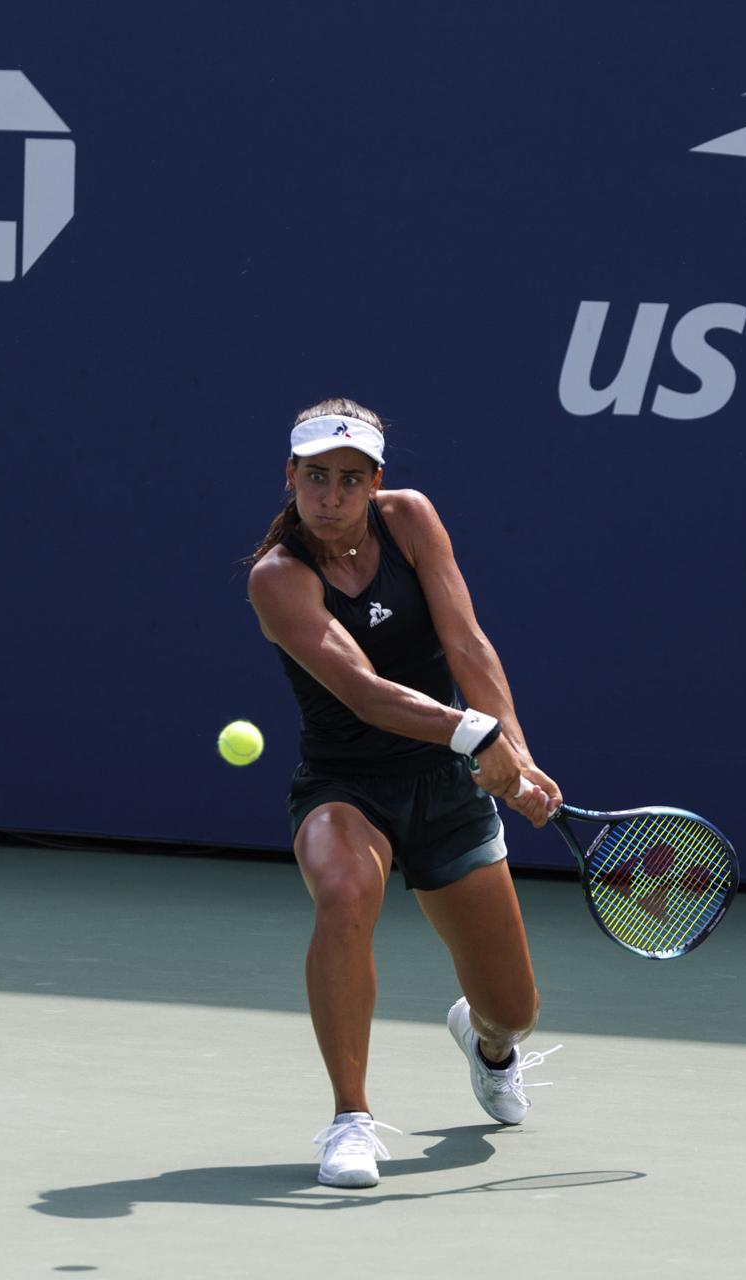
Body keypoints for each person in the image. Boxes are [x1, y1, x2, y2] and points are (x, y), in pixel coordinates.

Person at [246, 397, 563, 1189]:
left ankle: (487, 1044)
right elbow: (363, 690)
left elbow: (466, 641)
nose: (330, 495)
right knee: (345, 896)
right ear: (290, 478)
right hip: (345, 787)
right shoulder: (278, 579)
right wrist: (474, 736)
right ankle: (350, 1119)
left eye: (349, 480)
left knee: (514, 1009)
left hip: (445, 789)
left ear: (376, 482)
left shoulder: (412, 521)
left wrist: (516, 753)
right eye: (314, 477)